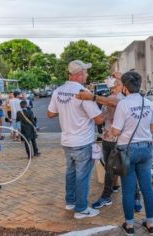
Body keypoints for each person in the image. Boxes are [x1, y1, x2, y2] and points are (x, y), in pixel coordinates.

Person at [76, 73, 143, 213]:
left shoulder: (123, 99)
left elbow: (113, 102)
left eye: (115, 85)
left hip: (120, 141)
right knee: (109, 170)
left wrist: (92, 98)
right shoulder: (109, 98)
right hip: (107, 139)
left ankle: (135, 197)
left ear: (122, 86)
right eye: (111, 87)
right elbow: (103, 116)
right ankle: (110, 193)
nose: (112, 88)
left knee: (128, 170)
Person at [47, 60, 104, 219]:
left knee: (71, 173)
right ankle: (81, 209)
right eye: (86, 72)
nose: (87, 74)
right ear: (79, 74)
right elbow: (99, 119)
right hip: (82, 142)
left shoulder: (58, 91)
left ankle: (70, 201)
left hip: (67, 141)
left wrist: (67, 111)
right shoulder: (82, 92)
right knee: (82, 176)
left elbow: (50, 114)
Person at [111, 71, 153, 236]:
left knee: (128, 190)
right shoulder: (148, 102)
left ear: (124, 87)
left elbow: (116, 131)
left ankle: (130, 226)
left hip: (127, 150)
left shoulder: (123, 104)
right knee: (147, 188)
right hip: (146, 148)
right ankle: (150, 224)